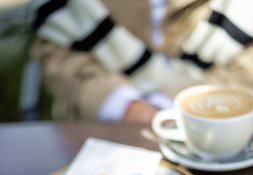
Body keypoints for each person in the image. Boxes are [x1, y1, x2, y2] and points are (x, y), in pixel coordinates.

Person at [30, 0, 253, 124]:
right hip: (101, 126)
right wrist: (123, 106)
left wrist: (176, 103)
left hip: (218, 125)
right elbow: (55, 52)